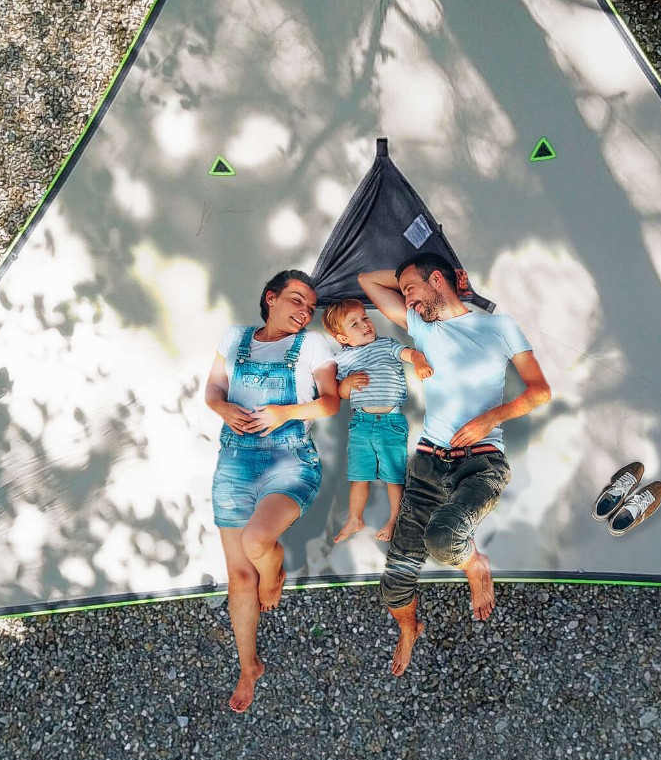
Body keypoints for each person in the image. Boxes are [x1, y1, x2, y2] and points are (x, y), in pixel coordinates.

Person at [359, 252, 551, 677]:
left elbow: (540, 391)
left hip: (481, 464)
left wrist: (491, 418)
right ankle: (410, 629)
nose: (406, 299)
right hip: (428, 465)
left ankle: (474, 565)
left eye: (411, 289)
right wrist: (403, 273)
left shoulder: (497, 326)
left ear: (438, 280)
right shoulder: (422, 329)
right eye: (405, 292)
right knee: (393, 589)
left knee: (444, 539)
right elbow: (366, 281)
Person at [205, 270, 341, 713]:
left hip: (290, 459)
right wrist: (223, 407)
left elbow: (330, 401)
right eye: (297, 300)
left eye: (310, 307)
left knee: (257, 542)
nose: (305, 312)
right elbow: (213, 389)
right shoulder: (234, 337)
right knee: (239, 576)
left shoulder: (314, 345)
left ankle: (276, 572)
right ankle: (249, 667)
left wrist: (286, 412)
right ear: (271, 297)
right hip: (234, 462)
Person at [324, 296, 419, 545]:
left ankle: (394, 519)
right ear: (343, 338)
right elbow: (340, 394)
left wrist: (418, 359)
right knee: (359, 475)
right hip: (361, 423)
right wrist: (345, 384)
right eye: (354, 324)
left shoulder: (386, 344)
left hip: (391, 421)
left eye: (365, 318)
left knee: (393, 476)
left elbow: (406, 353)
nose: (365, 324)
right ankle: (355, 518)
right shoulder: (343, 360)